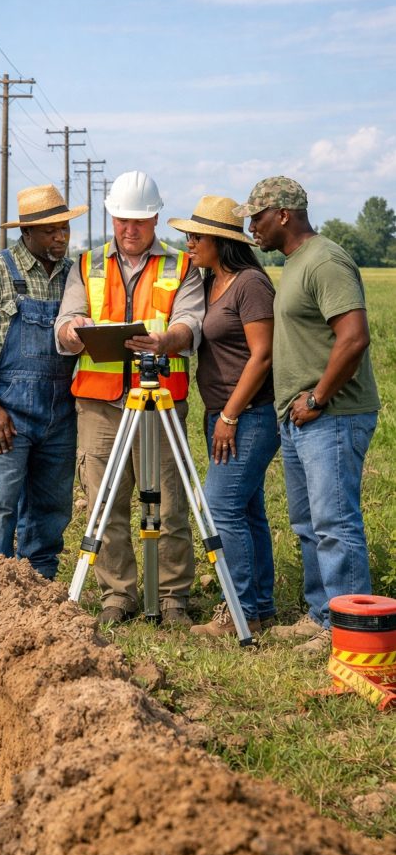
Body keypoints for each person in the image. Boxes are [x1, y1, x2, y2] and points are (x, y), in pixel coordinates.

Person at [234, 176, 381, 657]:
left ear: (282, 214)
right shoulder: (296, 263)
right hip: (302, 418)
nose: (251, 226)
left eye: (256, 217)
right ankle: (322, 616)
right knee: (308, 523)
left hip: (332, 415)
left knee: (335, 524)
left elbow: (354, 337)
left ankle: (348, 631)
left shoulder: (325, 260)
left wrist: (317, 398)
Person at [55, 171, 205, 626]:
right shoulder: (87, 265)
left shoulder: (181, 266)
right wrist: (74, 332)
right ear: (112, 217)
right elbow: (64, 325)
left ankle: (173, 596)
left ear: (156, 217)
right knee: (105, 505)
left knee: (170, 505)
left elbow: (190, 324)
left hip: (159, 401)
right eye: (122, 220)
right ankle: (117, 596)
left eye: (139, 221)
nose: (130, 230)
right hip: (100, 405)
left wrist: (168, 340)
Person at [0, 184, 88, 580]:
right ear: (26, 233)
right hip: (6, 409)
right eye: (50, 231)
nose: (60, 237)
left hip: (60, 409)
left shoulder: (74, 276)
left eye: (64, 228)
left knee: (52, 504)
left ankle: (40, 585)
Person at [167, 196, 279, 638]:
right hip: (223, 412)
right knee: (248, 511)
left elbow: (263, 354)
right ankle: (260, 607)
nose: (189, 243)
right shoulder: (210, 280)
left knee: (222, 508)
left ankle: (239, 612)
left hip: (248, 414)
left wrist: (230, 416)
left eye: (196, 236)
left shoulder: (249, 283)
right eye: (188, 235)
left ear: (220, 241)